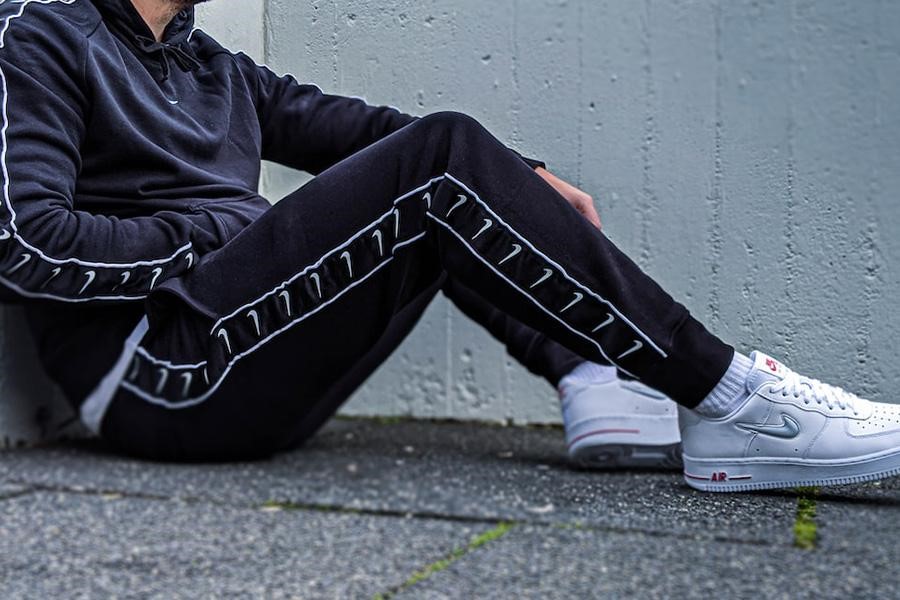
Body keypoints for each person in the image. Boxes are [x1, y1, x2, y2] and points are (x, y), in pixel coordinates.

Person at [3, 0, 898, 493]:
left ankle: (593, 383)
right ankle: (733, 397)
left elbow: (356, 131)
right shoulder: (39, 34)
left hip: (246, 382)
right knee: (442, 159)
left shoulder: (217, 68)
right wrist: (207, 235)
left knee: (446, 170)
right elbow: (23, 247)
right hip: (155, 382)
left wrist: (520, 176)